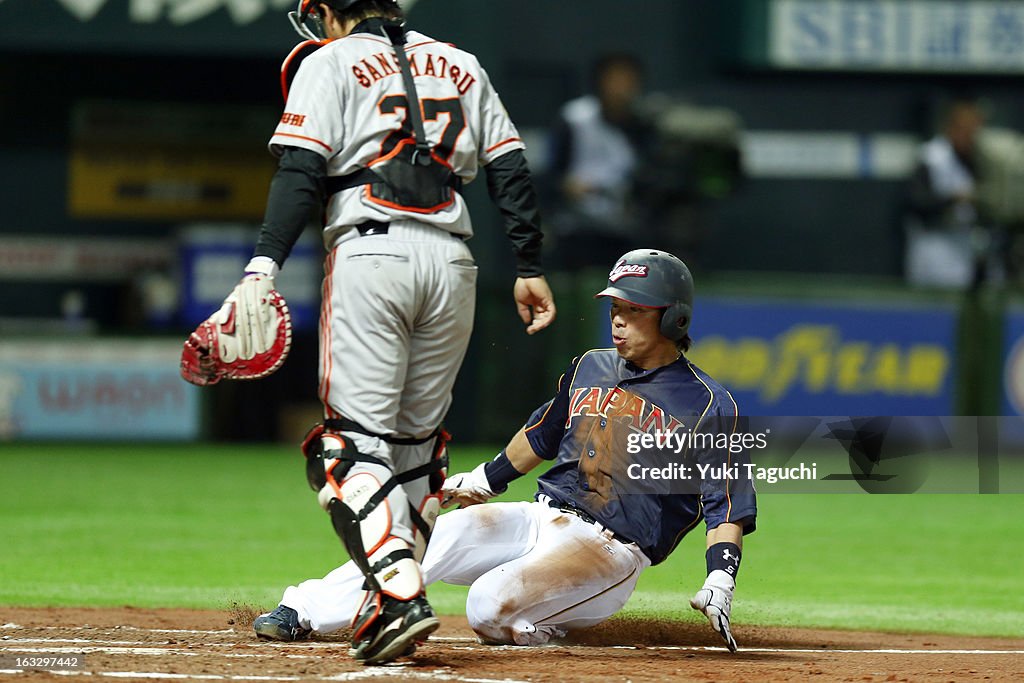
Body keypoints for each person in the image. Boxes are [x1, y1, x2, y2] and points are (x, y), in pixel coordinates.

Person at [219, 0, 556, 666]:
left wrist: (263, 265)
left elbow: (300, 172)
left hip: (372, 251)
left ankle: (401, 594)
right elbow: (510, 168)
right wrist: (529, 264)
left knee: (347, 451)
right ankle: (386, 603)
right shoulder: (461, 62)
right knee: (415, 454)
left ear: (326, 8)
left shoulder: (331, 59)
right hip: (455, 263)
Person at [254, 249, 757, 652]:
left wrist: (721, 576)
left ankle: (546, 631)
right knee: (439, 533)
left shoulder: (710, 404)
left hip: (610, 552)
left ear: (674, 319)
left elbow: (727, 503)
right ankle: (302, 611)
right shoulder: (591, 366)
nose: (618, 321)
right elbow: (541, 435)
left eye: (635, 310)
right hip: (541, 516)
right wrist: (482, 481)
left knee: (488, 607)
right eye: (616, 308)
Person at [545, 54, 655, 271]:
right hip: (578, 228)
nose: (621, 88)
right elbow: (552, 173)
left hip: (625, 231)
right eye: (615, 80)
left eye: (628, 81)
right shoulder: (575, 118)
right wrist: (568, 186)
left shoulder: (643, 124)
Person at [904, 98, 996, 289]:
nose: (971, 135)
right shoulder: (931, 157)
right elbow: (915, 203)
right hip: (935, 246)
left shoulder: (983, 158)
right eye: (966, 128)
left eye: (976, 128)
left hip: (968, 245)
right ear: (951, 127)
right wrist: (953, 198)